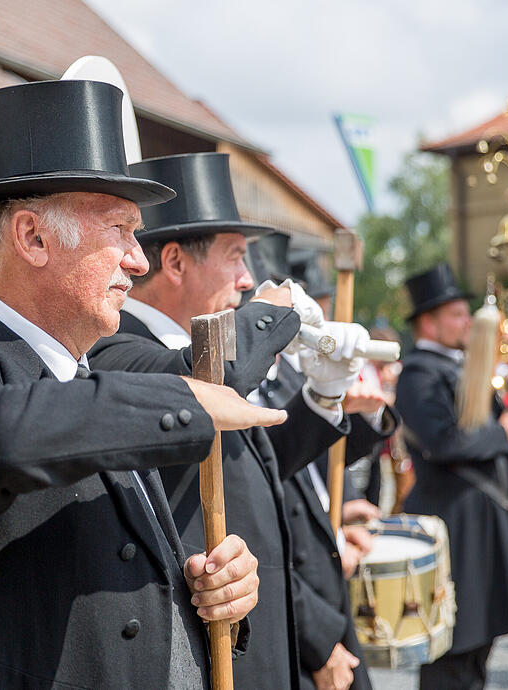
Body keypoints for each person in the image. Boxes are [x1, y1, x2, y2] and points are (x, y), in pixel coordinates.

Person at [0, 81, 284, 689]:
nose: (138, 260)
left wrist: (208, 594)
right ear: (33, 238)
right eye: (120, 230)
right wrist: (181, 398)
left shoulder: (90, 376)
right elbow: (3, 437)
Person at [89, 152, 362, 690]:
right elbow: (213, 375)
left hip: (257, 633)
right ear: (175, 262)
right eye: (236, 257)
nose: (246, 279)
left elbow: (259, 470)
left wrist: (325, 394)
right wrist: (274, 312)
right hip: (206, 645)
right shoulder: (120, 352)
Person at [249, 235, 397, 690]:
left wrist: (342, 514)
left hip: (322, 575)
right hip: (294, 600)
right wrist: (317, 640)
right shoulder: (241, 381)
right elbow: (264, 505)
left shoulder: (290, 370)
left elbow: (311, 461)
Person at [395, 264, 508, 690]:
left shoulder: (459, 367)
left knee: (477, 646)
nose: (468, 322)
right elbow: (443, 442)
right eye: (457, 314)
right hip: (455, 519)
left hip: (479, 517)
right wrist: (504, 431)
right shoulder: (419, 372)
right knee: (452, 648)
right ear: (428, 321)